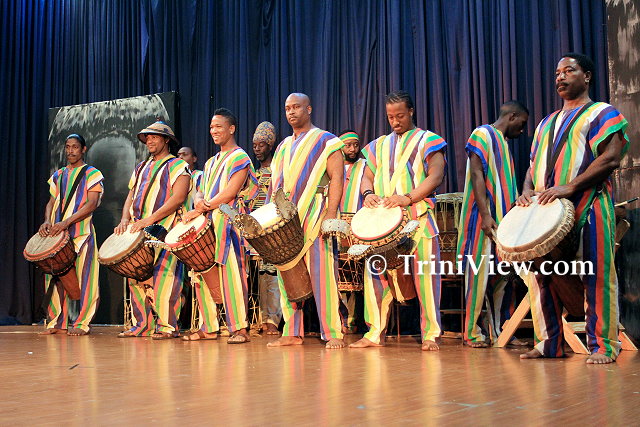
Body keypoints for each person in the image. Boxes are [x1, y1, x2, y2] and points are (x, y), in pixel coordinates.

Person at [517, 53, 629, 364]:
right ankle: (549, 343)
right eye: (557, 73)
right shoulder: (546, 122)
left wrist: (570, 186)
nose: (561, 77)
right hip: (545, 211)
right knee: (542, 276)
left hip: (588, 204)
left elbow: (611, 157)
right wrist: (525, 191)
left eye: (569, 70)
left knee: (596, 274)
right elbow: (532, 165)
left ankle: (603, 346)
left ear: (587, 76)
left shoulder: (603, 113)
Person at [350, 90, 446, 351]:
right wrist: (367, 193)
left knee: (425, 276)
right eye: (390, 117)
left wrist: (408, 197)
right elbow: (367, 176)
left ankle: (431, 334)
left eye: (400, 115)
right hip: (384, 223)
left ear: (411, 111)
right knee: (376, 275)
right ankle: (374, 333)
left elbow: (436, 176)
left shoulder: (428, 140)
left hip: (418, 218)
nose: (395, 121)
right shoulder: (379, 145)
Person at [266, 92, 345, 349]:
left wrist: (331, 214)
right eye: (287, 108)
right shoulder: (282, 146)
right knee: (287, 276)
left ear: (308, 109)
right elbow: (274, 184)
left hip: (315, 216)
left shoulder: (327, 141)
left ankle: (332, 332)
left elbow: (337, 178)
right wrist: (268, 219)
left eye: (296, 107)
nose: (291, 112)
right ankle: (291, 332)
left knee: (323, 277)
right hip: (285, 222)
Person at [456, 101, 529, 347]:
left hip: (503, 222)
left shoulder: (503, 143)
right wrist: (486, 215)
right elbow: (477, 174)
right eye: (522, 123)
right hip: (483, 219)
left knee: (503, 276)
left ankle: (502, 331)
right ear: (512, 116)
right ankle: (471, 332)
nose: (523, 129)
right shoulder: (483, 133)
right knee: (477, 275)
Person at [181, 108, 257, 344]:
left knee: (232, 275)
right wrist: (198, 200)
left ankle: (239, 328)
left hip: (229, 224)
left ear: (231, 129)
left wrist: (200, 208)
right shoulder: (210, 162)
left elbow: (230, 192)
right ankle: (209, 327)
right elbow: (201, 190)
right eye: (211, 127)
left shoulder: (240, 157)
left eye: (218, 127)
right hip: (207, 224)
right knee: (202, 272)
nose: (213, 131)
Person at [114, 121, 190, 339]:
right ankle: (142, 325)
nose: (149, 141)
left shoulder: (178, 166)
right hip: (138, 229)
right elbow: (131, 195)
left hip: (165, 229)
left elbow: (179, 197)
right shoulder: (141, 167)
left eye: (154, 137)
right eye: (147, 138)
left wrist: (150, 219)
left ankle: (167, 326)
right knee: (135, 275)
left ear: (166, 140)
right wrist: (124, 218)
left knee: (165, 277)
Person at [38, 134, 103, 336]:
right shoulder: (58, 175)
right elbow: (51, 203)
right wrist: (47, 221)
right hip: (57, 236)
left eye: (75, 147)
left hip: (81, 233)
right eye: (67, 147)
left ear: (83, 149)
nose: (70, 151)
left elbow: (92, 203)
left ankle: (83, 322)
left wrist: (66, 222)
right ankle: (57, 322)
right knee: (55, 277)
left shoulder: (92, 173)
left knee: (86, 278)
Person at [250, 121, 282, 335]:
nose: (257, 149)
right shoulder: (253, 173)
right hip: (254, 231)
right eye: (254, 145)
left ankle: (273, 320)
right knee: (259, 276)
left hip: (273, 229)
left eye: (262, 144)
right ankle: (260, 318)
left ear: (270, 145)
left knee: (272, 274)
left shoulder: (278, 171)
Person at [337, 130, 366, 334]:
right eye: (348, 145)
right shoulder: (333, 166)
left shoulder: (365, 166)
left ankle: (357, 320)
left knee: (358, 277)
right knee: (339, 277)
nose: (353, 149)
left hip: (359, 225)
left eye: (356, 145)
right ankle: (341, 318)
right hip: (338, 226)